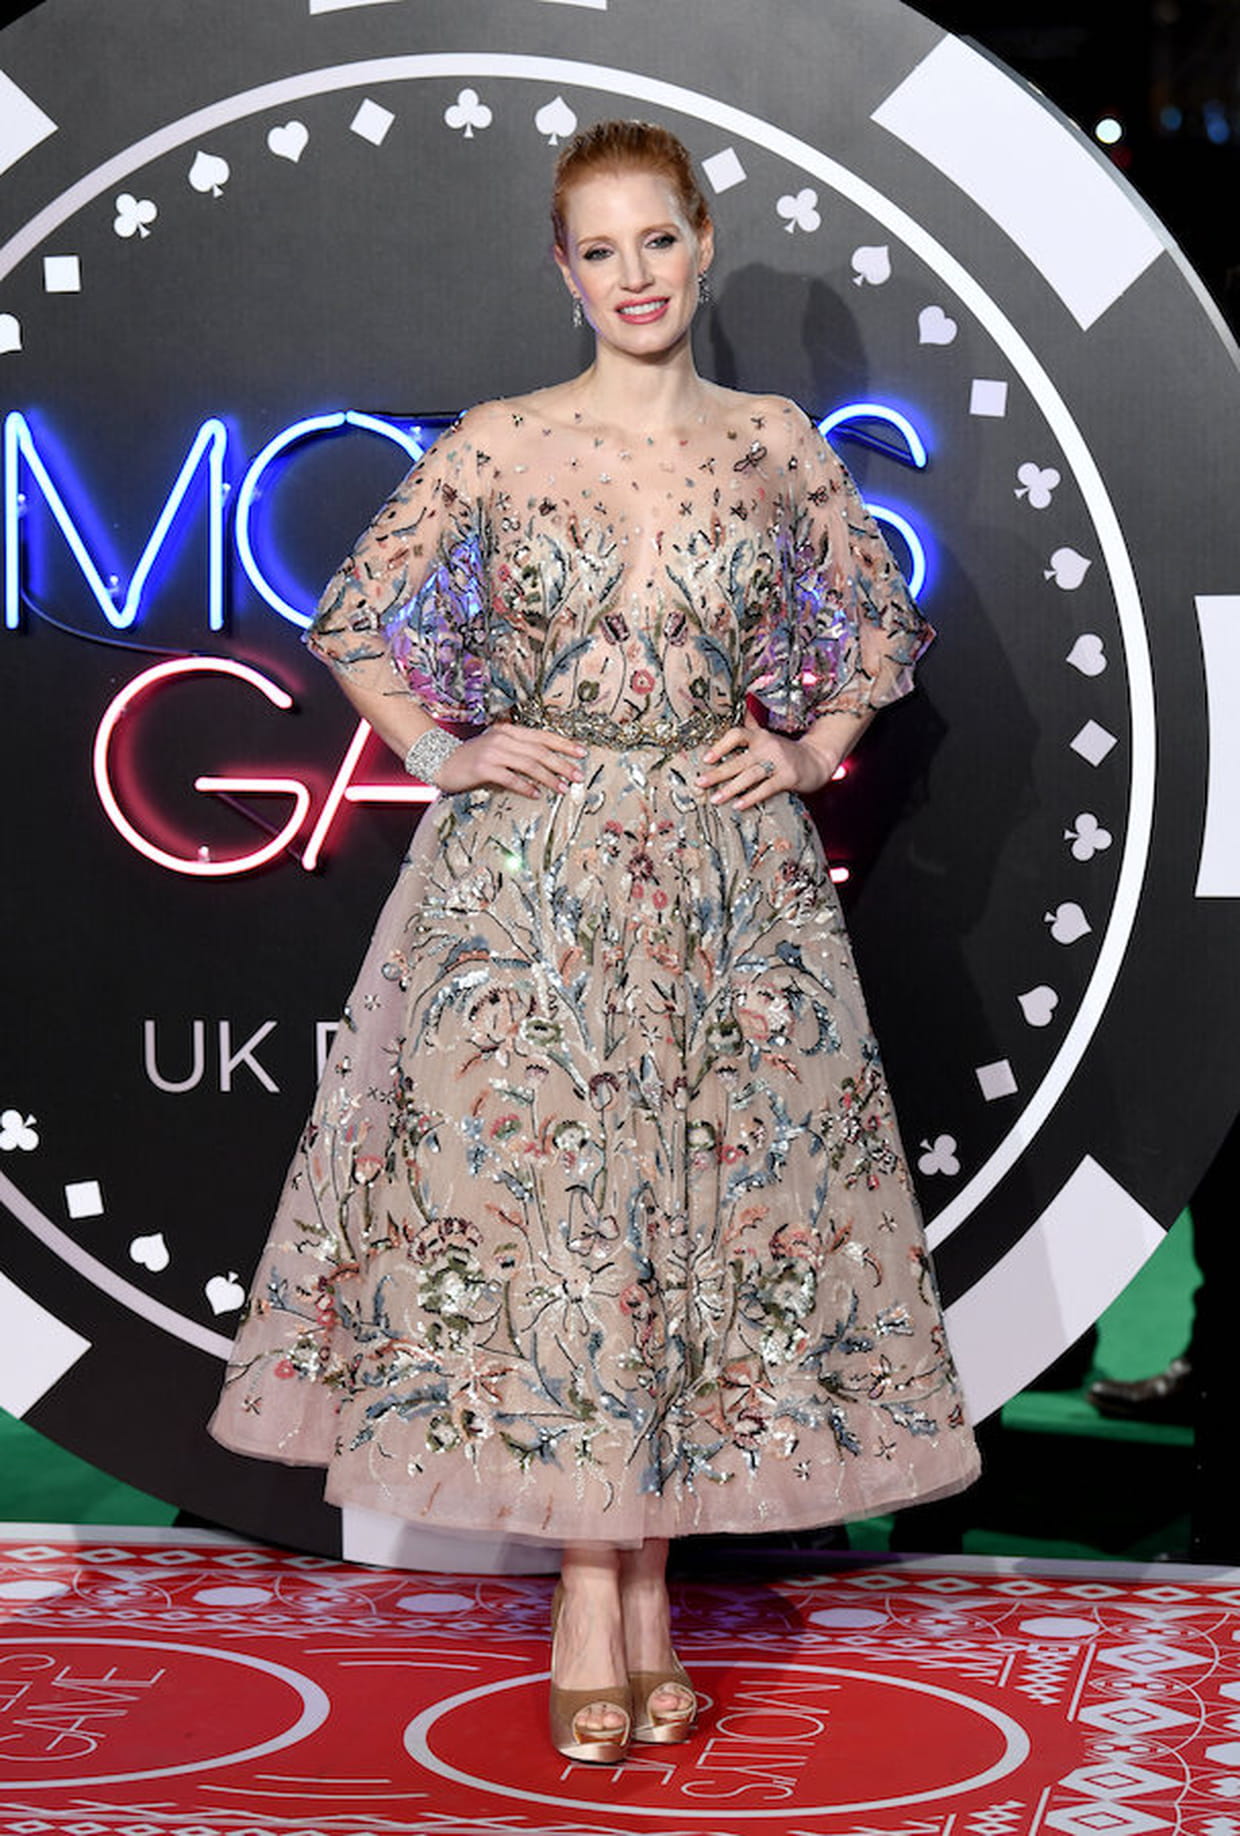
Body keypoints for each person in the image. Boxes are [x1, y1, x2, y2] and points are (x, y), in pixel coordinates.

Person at [210, 118, 979, 1764]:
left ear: (702, 244)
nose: (636, 275)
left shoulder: (773, 443)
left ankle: (643, 1591)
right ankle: (591, 1597)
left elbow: (873, 634)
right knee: (560, 1223)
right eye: (602, 249)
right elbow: (354, 621)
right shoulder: (500, 444)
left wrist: (809, 753)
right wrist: (444, 748)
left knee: (695, 1227)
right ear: (564, 271)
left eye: (660, 239)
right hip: (531, 888)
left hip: (725, 882)